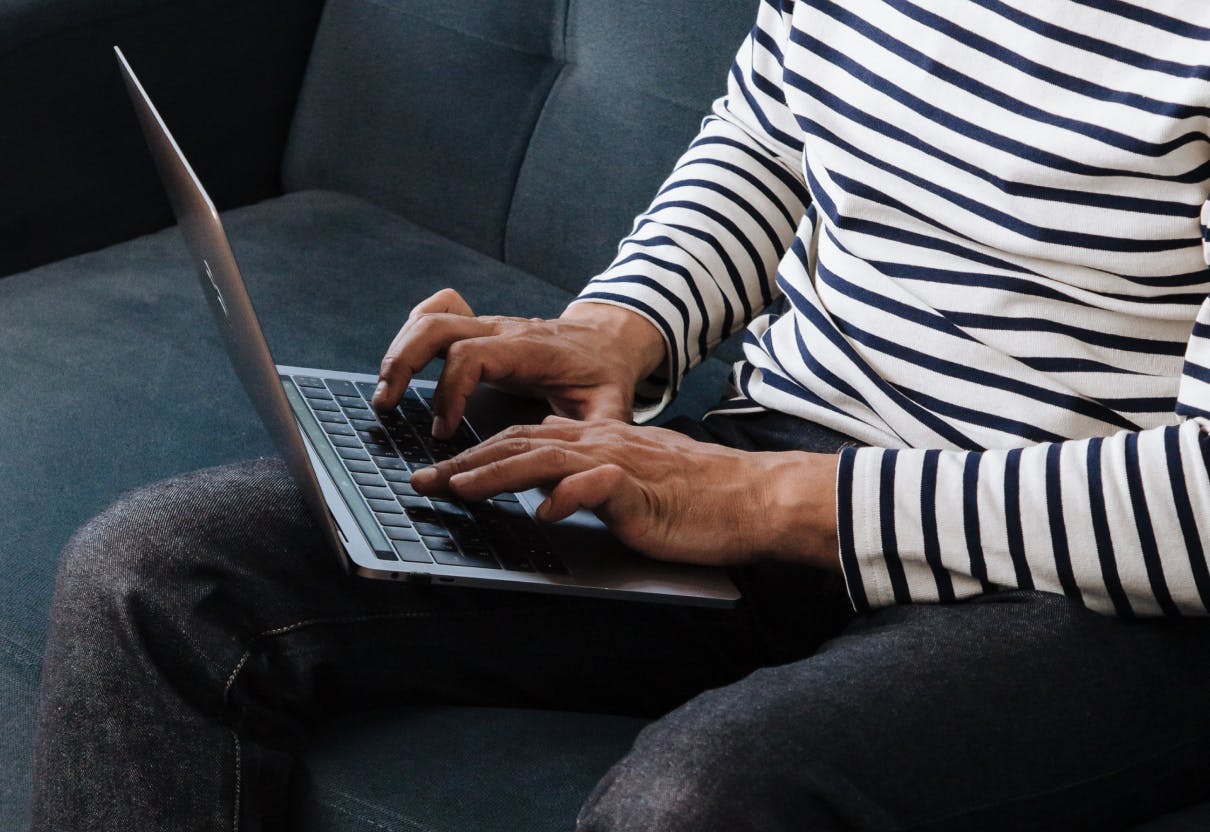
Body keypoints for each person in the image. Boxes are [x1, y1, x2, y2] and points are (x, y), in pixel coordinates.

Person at [31, 1, 1210, 829]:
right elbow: (769, 136)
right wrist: (624, 326)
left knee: (697, 801)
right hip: (777, 462)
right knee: (155, 573)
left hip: (1088, 583)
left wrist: (765, 500)